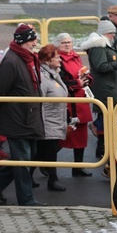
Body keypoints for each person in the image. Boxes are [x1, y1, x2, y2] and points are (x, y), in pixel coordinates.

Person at [0, 24, 46, 206]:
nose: (35, 43)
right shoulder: (11, 61)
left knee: (25, 158)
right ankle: (26, 199)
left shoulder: (27, 58)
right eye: (32, 39)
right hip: (17, 120)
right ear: (24, 41)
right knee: (22, 161)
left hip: (29, 117)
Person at [81, 20, 117, 175]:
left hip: (107, 86)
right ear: (105, 33)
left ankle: (104, 148)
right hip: (104, 88)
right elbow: (101, 66)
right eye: (111, 33)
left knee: (107, 117)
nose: (113, 36)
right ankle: (103, 148)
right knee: (106, 117)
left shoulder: (102, 45)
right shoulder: (98, 46)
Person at [56, 32, 95, 177]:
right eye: (63, 42)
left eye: (69, 42)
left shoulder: (76, 56)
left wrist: (87, 78)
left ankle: (78, 166)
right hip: (70, 103)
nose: (67, 44)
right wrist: (77, 83)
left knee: (81, 135)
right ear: (58, 45)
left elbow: (82, 72)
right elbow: (62, 82)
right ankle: (44, 163)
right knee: (62, 136)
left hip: (80, 100)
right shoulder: (57, 60)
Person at [36, 44, 69, 192]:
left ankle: (29, 177)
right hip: (47, 121)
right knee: (47, 152)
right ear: (48, 60)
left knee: (42, 153)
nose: (60, 60)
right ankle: (53, 180)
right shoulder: (43, 77)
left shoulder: (54, 74)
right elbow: (39, 102)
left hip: (55, 119)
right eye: (57, 57)